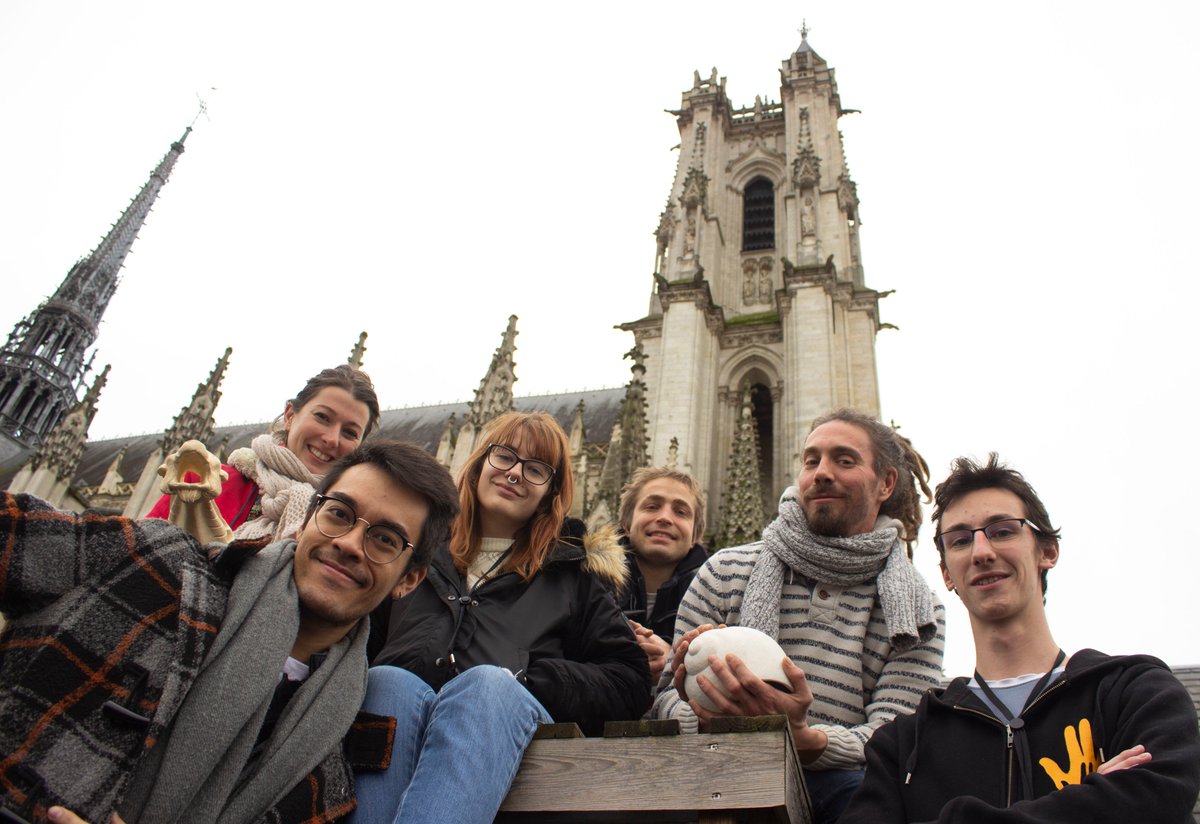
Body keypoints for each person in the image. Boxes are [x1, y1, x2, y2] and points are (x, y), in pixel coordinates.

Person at [0, 440, 459, 824]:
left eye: (385, 539)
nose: (349, 544)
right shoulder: (160, 568)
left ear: (409, 580)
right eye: (339, 514)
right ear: (305, 521)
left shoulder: (326, 774)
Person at [841, 454, 1200, 822]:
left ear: (1048, 551)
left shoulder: (1136, 693)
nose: (982, 552)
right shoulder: (902, 746)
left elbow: (1159, 801)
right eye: (961, 540)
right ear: (947, 574)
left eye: (1003, 531)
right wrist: (1096, 804)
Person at [357, 411, 652, 824]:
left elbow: (629, 680)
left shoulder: (572, 572)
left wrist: (526, 680)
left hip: (519, 754)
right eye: (505, 457)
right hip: (406, 728)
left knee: (487, 686)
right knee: (389, 682)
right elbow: (356, 649)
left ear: (551, 492)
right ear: (478, 463)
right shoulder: (412, 555)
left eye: (535, 469)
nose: (515, 473)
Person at [653, 408, 946, 824]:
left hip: (843, 794)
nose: (822, 472)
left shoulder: (916, 610)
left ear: (886, 483)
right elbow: (662, 699)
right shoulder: (725, 571)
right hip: (710, 775)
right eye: (812, 460)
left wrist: (805, 740)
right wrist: (706, 711)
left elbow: (897, 739)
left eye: (844, 460)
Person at [147, 364, 380, 541]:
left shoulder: (349, 528)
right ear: (290, 416)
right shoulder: (203, 483)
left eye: (350, 432)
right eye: (322, 417)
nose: (331, 439)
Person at [614, 466, 710, 682]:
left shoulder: (716, 596)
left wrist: (675, 660)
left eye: (681, 512)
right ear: (626, 525)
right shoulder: (586, 583)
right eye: (652, 506)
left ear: (696, 535)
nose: (665, 518)